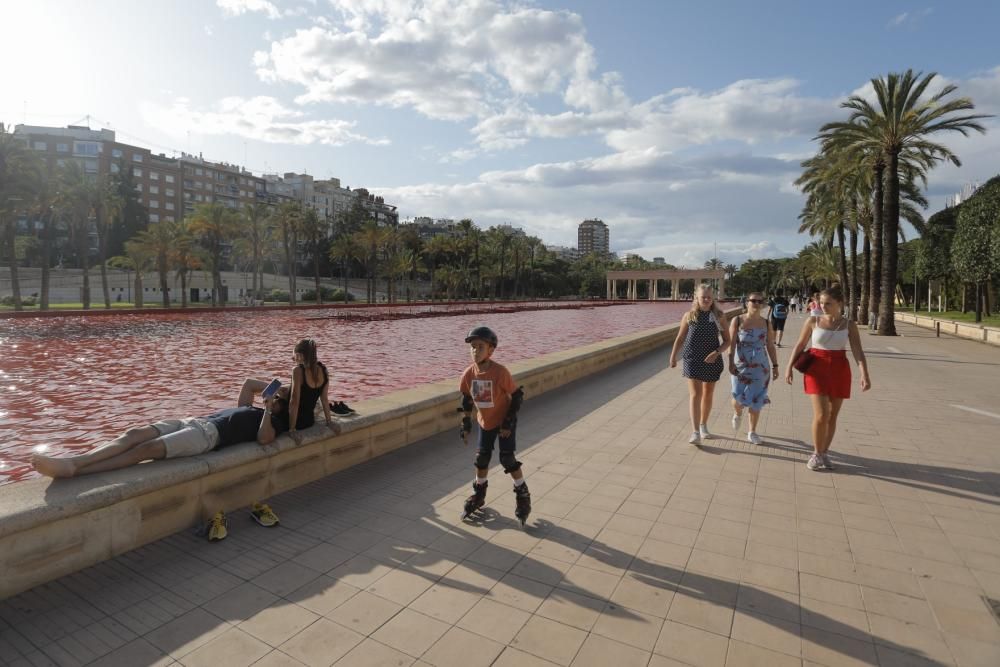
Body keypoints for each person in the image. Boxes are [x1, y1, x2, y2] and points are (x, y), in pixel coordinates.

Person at [31, 378, 292, 539]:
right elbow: (249, 383)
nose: (272, 396)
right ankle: (76, 460)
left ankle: (76, 471)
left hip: (207, 437)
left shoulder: (273, 422)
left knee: (144, 451)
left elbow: (264, 439)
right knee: (134, 434)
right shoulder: (251, 406)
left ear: (284, 406)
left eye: (279, 397)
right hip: (194, 421)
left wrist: (270, 408)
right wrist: (277, 384)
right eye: (274, 395)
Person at [785, 285, 871, 471]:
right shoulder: (812, 321)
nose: (823, 306)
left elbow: (857, 350)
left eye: (828, 303)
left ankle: (824, 452)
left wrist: (864, 373)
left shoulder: (849, 325)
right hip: (816, 368)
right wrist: (788, 367)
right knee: (822, 414)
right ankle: (816, 453)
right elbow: (799, 345)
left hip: (840, 368)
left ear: (839, 303)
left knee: (832, 415)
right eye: (821, 303)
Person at [458, 326, 530, 526]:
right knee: (482, 458)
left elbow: (517, 396)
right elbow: (466, 400)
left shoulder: (500, 372)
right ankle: (478, 494)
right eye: (472, 347)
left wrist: (507, 422)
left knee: (507, 459)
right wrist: (465, 425)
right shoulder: (468, 374)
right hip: (486, 421)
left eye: (480, 347)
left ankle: (523, 494)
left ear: (490, 350)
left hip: (505, 420)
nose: (475, 350)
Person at [670, 284, 732, 445]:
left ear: (713, 299)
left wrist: (717, 353)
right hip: (692, 358)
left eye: (709, 297)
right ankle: (695, 431)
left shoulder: (719, 316)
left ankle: (704, 425)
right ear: (696, 298)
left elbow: (727, 341)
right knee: (695, 394)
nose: (706, 300)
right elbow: (680, 338)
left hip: (711, 359)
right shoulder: (689, 316)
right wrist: (673, 357)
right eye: (703, 297)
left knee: (708, 393)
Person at [729, 292, 779, 445]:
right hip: (740, 366)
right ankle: (737, 413)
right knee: (737, 397)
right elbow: (731, 344)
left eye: (759, 301)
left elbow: (770, 345)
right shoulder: (737, 320)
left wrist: (775, 365)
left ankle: (752, 432)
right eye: (753, 301)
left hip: (761, 367)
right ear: (747, 302)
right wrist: (730, 362)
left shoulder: (766, 323)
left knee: (757, 398)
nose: (756, 303)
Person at [287, 338, 338, 445]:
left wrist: (292, 430)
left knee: (252, 386)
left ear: (300, 355)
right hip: (309, 421)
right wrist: (329, 422)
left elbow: (294, 402)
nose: (293, 359)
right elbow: (324, 399)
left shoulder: (297, 371)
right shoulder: (324, 370)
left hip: (294, 422)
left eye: (294, 356)